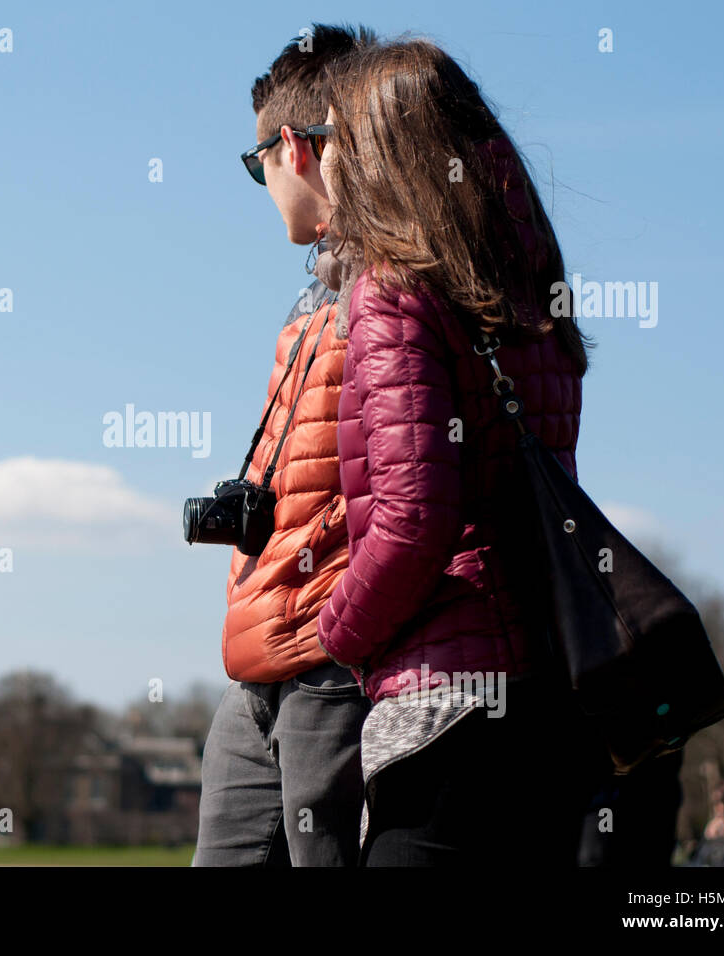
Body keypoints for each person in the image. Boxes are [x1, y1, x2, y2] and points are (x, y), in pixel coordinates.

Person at [312, 38, 602, 866]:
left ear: (377, 151)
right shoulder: (530, 290)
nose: (326, 161)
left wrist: (338, 633)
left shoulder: (391, 291)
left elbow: (412, 518)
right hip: (550, 694)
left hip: (447, 706)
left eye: (334, 139)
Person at [191, 24, 377, 867]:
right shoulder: (317, 292)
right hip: (257, 664)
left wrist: (344, 629)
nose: (260, 183)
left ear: (291, 149)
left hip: (330, 663)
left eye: (253, 164)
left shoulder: (392, 287)